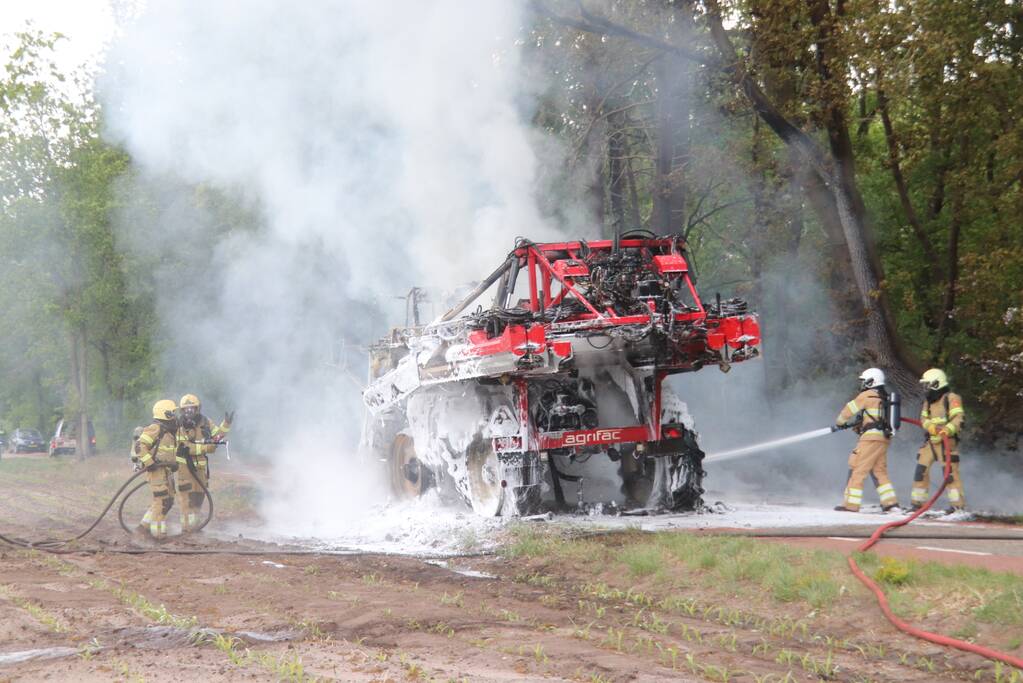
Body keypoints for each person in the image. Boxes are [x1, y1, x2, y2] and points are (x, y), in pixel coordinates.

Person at [833, 368, 900, 512]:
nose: (863, 384)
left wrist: (839, 423)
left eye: (864, 381)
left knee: (858, 469)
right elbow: (873, 418)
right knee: (879, 471)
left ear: (871, 381)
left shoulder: (866, 395)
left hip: (870, 439)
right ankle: (890, 503)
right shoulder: (883, 397)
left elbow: (848, 410)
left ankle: (851, 505)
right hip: (883, 438)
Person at [174, 393, 233, 532]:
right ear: (181, 410)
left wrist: (226, 424)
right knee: (186, 500)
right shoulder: (178, 426)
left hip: (200, 470)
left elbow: (217, 437)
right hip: (185, 469)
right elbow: (185, 447)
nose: (189, 412)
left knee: (198, 498)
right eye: (186, 409)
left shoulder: (205, 422)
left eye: (192, 408)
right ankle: (187, 529)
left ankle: (195, 527)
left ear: (197, 409)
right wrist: (207, 448)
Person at [911, 368, 966, 512]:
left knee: (950, 474)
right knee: (920, 470)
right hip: (931, 442)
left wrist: (947, 429)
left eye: (927, 385)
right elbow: (923, 419)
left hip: (946, 443)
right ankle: (917, 504)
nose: (925, 388)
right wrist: (930, 427)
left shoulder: (951, 398)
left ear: (936, 384)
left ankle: (957, 506)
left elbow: (958, 419)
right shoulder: (928, 402)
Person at [134, 399, 180, 539]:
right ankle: (158, 534)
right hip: (157, 471)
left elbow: (168, 451)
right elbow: (139, 447)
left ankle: (144, 527)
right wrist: (150, 463)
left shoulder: (169, 431)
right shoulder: (155, 429)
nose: (174, 415)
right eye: (172, 412)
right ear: (165, 414)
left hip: (167, 471)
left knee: (169, 500)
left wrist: (174, 463)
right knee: (161, 501)